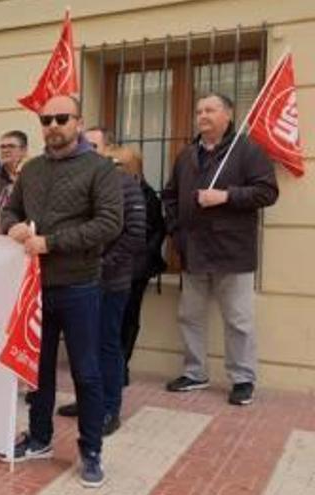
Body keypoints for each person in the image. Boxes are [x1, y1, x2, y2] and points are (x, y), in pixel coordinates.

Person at [0, 95, 122, 489]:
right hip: (35, 286)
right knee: (37, 371)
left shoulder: (100, 169)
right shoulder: (31, 169)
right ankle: (39, 439)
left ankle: (91, 451)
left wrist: (51, 243)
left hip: (80, 285)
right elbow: (9, 210)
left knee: (86, 373)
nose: (53, 124)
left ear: (78, 122)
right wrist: (12, 226)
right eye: (46, 119)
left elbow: (109, 224)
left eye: (61, 118)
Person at [162, 93, 278, 406]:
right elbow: (170, 196)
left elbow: (267, 192)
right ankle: (195, 372)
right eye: (199, 110)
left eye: (210, 110)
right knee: (190, 316)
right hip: (193, 251)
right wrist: (176, 232)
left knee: (238, 321)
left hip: (233, 252)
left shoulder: (247, 150)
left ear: (227, 115)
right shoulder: (186, 155)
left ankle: (242, 379)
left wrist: (226, 197)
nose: (203, 115)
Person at [56, 145, 146, 437]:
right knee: (83, 347)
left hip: (111, 283)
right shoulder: (82, 183)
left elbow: (134, 235)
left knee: (107, 346)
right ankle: (87, 403)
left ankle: (109, 408)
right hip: (78, 282)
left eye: (96, 146)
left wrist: (101, 265)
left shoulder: (127, 186)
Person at [120, 148, 166, 386]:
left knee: (128, 317)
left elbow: (158, 230)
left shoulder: (147, 196)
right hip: (115, 266)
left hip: (136, 268)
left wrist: (144, 255)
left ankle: (121, 366)